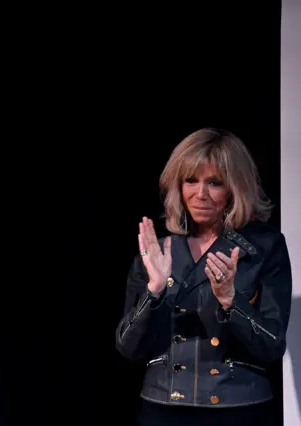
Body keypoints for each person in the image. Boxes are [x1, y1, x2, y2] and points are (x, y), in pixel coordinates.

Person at [115, 128, 292, 426]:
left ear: (236, 187)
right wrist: (155, 290)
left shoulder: (263, 248)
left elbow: (273, 345)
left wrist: (230, 301)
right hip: (163, 410)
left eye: (214, 183)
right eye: (191, 181)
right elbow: (128, 347)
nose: (200, 194)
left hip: (238, 409)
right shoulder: (159, 251)